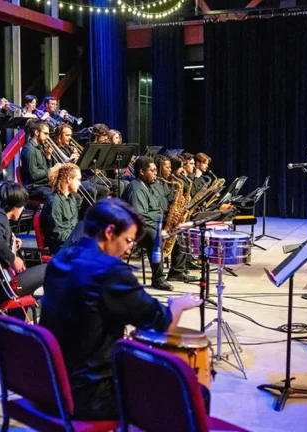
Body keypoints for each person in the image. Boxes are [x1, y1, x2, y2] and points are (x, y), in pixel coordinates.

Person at [39, 199, 205, 421]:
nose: (129, 249)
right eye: (128, 240)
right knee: (193, 392)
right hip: (90, 395)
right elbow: (160, 323)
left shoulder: (60, 259)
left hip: (50, 384)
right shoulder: (109, 270)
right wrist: (177, 306)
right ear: (109, 232)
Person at [121, 156, 196, 291]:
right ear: (142, 172)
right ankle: (158, 278)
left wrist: (171, 219)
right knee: (154, 236)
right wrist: (161, 225)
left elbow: (157, 209)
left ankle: (177, 271)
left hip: (152, 223)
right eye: (152, 171)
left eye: (156, 170)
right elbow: (140, 215)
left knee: (180, 230)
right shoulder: (136, 188)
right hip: (136, 229)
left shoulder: (150, 185)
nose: (156, 173)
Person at [41, 163, 83, 255]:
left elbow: (74, 224)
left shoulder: (72, 198)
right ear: (69, 179)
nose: (80, 183)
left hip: (72, 241)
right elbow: (58, 234)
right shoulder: (54, 202)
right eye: (78, 180)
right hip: (60, 247)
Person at [20, 120, 55, 201]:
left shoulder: (40, 148)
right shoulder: (29, 149)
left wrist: (48, 156)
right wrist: (51, 170)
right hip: (33, 188)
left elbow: (46, 171)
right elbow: (34, 175)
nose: (48, 137)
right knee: (57, 196)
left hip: (43, 185)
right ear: (37, 132)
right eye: (45, 134)